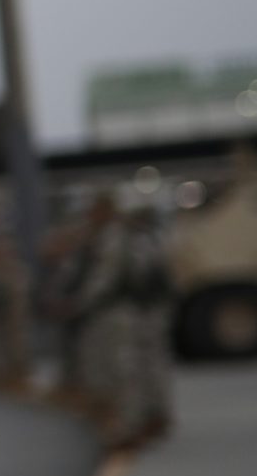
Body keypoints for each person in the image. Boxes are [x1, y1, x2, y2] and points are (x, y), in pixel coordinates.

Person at [61, 190, 174, 447]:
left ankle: (131, 426)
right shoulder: (138, 234)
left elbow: (105, 279)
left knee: (123, 370)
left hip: (118, 310)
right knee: (147, 365)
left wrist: (78, 304)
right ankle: (153, 416)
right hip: (140, 309)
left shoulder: (114, 236)